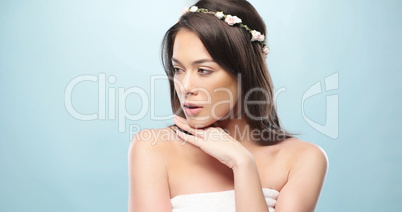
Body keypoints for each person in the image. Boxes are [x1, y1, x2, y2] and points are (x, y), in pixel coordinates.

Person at [128, 0, 328, 211]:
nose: (185, 87)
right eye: (178, 69)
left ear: (244, 71)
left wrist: (242, 164)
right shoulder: (153, 149)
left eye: (203, 70)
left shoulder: (304, 160)